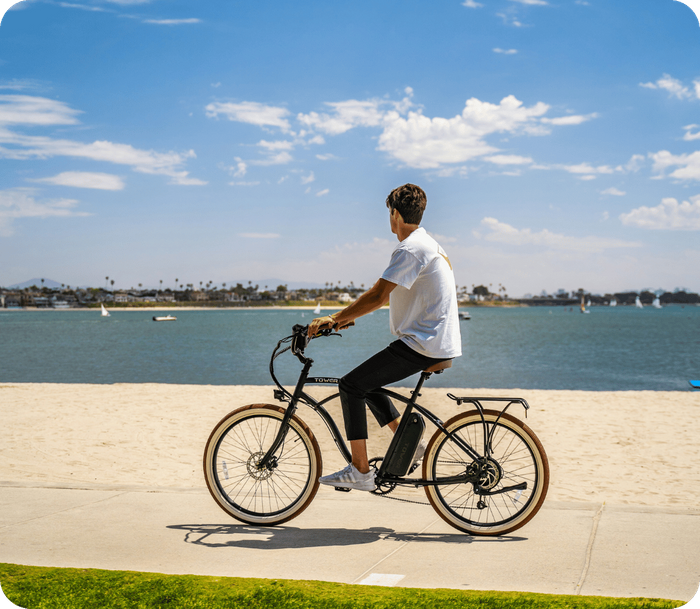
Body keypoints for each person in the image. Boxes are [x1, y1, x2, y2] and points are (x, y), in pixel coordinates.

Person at [307, 183, 462, 491]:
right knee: (369, 383)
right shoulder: (429, 244)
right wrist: (343, 321)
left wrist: (334, 317)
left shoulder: (411, 248)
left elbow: (378, 296)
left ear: (394, 215)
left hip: (424, 343)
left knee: (350, 385)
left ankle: (360, 471)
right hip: (433, 340)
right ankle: (409, 443)